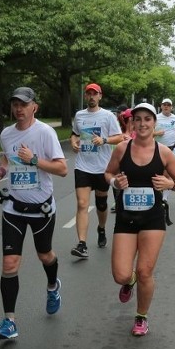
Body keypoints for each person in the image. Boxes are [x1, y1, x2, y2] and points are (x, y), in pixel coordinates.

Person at [0, 87, 68, 339]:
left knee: (45, 255)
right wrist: (0, 173)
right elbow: (6, 158)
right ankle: (9, 321)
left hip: (41, 209)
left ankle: (53, 286)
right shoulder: (7, 134)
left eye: (24, 104)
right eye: (15, 104)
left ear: (35, 106)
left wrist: (33, 160)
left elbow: (62, 168)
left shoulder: (45, 133)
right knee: (9, 263)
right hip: (13, 207)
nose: (19, 109)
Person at [105, 102, 175, 336]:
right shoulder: (122, 148)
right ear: (132, 123)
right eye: (138, 119)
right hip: (126, 217)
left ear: (154, 123)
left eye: (147, 119)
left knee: (145, 271)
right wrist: (114, 182)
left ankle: (141, 316)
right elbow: (108, 173)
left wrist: (170, 183)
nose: (142, 123)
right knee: (121, 274)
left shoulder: (163, 152)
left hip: (153, 218)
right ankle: (128, 281)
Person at [69, 83, 124, 259]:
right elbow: (74, 133)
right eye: (89, 94)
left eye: (95, 94)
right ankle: (82, 244)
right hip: (82, 165)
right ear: (86, 96)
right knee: (82, 204)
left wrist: (104, 140)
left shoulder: (107, 116)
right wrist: (73, 142)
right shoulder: (79, 115)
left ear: (100, 96)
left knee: (101, 204)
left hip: (102, 167)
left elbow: (120, 137)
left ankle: (101, 228)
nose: (91, 97)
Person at [154, 98, 175, 225]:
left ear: (171, 107)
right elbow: (148, 131)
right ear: (161, 106)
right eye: (164, 105)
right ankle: (157, 196)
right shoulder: (156, 118)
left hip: (171, 150)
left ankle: (164, 199)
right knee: (157, 174)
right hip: (156, 149)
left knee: (168, 174)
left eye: (168, 105)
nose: (166, 107)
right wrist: (156, 133)